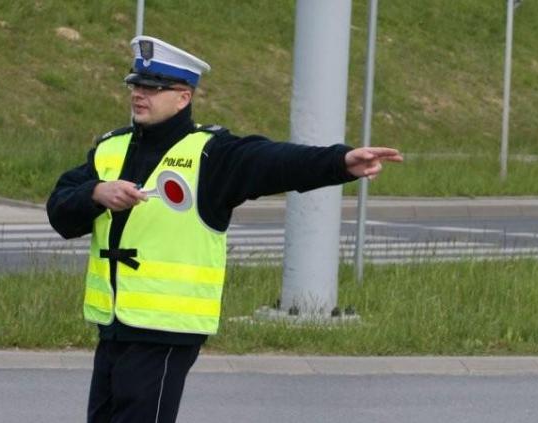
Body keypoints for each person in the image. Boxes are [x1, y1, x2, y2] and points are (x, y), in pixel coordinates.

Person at [46, 35, 402, 423]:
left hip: (166, 328)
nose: (138, 94)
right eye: (135, 85)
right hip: (113, 326)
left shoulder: (211, 154)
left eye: (152, 88)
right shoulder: (110, 149)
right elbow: (60, 211)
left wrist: (339, 161)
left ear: (183, 97)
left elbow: (273, 161)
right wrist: (96, 192)